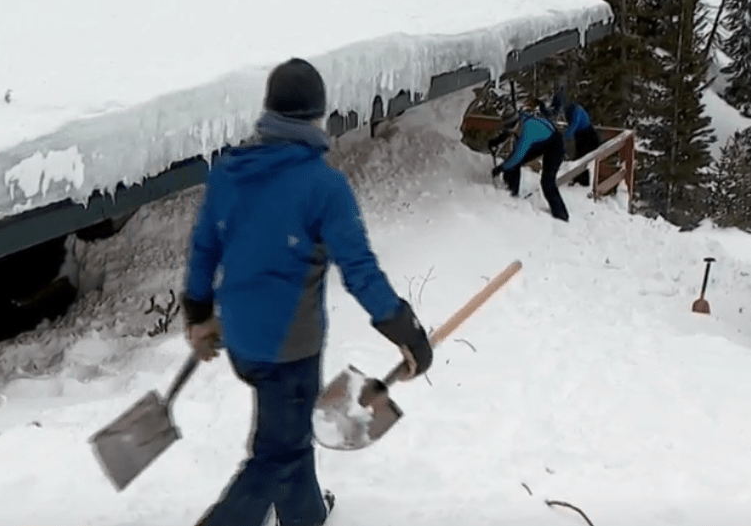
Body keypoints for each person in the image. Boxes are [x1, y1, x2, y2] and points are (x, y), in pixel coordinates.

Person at [181, 57, 434, 526]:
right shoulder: (324, 186)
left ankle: (308, 514)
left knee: (288, 437)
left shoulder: (230, 173)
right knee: (276, 457)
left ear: (269, 111)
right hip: (289, 351)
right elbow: (359, 271)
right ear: (318, 116)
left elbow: (204, 249)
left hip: (241, 341)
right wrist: (403, 327)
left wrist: (197, 313)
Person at [488, 107, 569, 222]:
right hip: (543, 140)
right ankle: (511, 194)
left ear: (516, 123)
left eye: (511, 128)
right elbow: (509, 131)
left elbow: (517, 157)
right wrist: (497, 141)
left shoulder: (527, 131)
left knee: (547, 182)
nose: (510, 131)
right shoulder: (518, 119)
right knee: (513, 164)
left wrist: (500, 168)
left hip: (555, 146)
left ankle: (561, 216)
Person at [550, 92, 602, 187]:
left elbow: (571, 129)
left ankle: (584, 185)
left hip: (589, 137)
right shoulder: (569, 109)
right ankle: (578, 182)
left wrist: (559, 139)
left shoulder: (576, 110)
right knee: (579, 159)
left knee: (584, 160)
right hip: (580, 137)